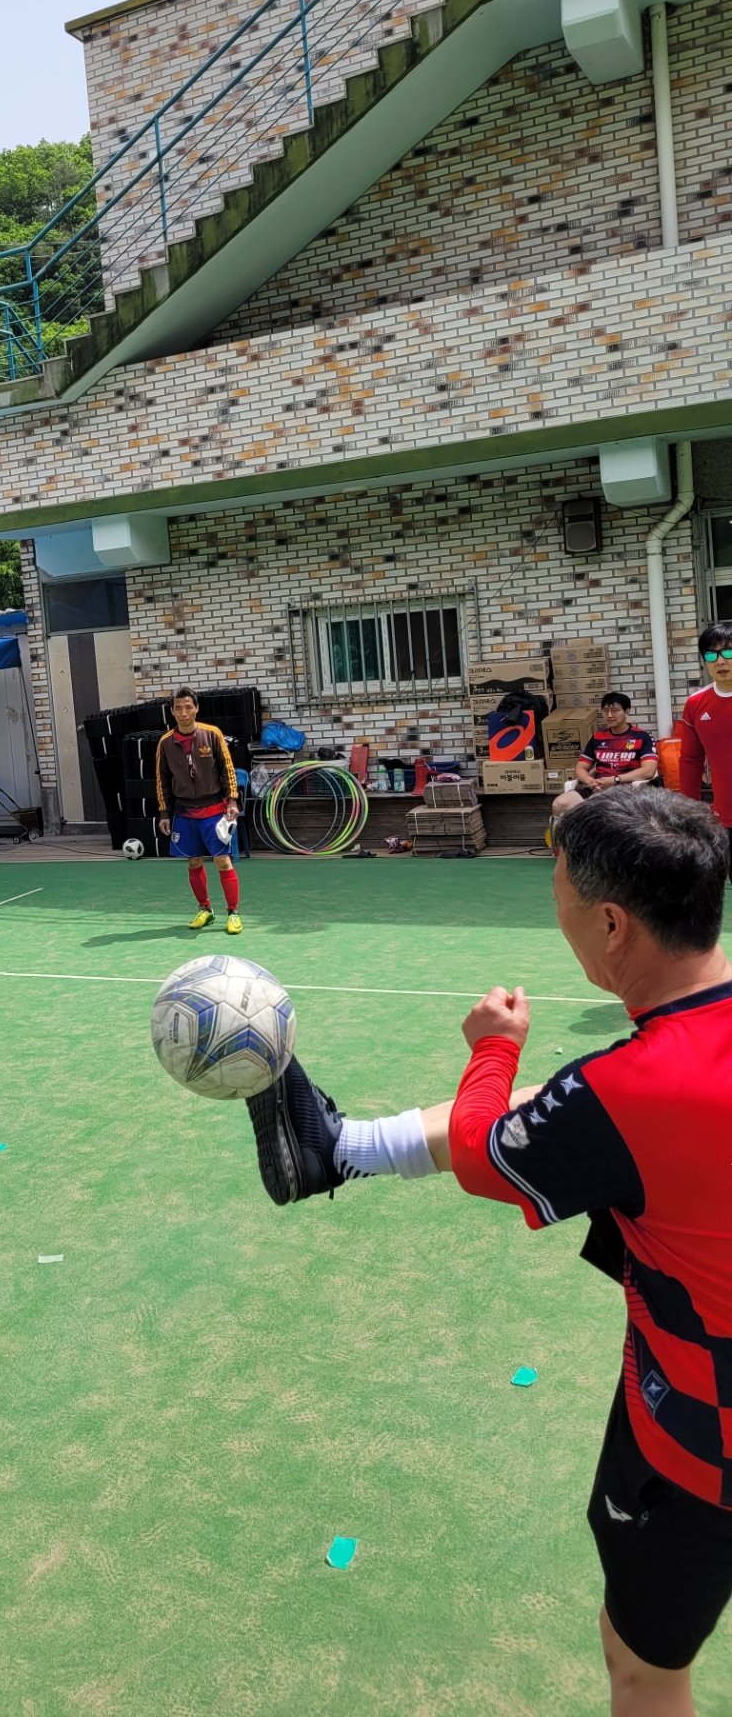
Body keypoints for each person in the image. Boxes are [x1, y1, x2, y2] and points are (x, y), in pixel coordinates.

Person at [242, 789, 732, 1712]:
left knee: (643, 1664)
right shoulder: (652, 1069)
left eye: (560, 899)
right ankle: (339, 1149)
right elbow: (590, 1105)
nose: (558, 918)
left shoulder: (630, 1092)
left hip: (701, 1441)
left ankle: (336, 1151)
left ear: (613, 924)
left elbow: (485, 1150)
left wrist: (494, 1051)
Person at [155, 687, 242, 934]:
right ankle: (205, 909)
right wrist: (164, 813)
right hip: (184, 812)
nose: (184, 713)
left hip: (214, 809)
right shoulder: (165, 743)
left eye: (188, 707)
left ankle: (233, 913)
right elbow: (162, 780)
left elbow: (227, 769)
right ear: (172, 712)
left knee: (222, 861)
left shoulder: (212, 734)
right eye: (178, 708)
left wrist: (232, 801)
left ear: (196, 708)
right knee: (193, 861)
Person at [550, 691, 658, 817]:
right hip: (597, 789)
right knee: (560, 804)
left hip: (628, 792)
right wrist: (590, 781)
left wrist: (614, 780)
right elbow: (580, 768)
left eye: (615, 711)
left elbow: (649, 771)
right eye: (606, 711)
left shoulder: (643, 737)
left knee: (604, 813)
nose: (609, 715)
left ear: (626, 712)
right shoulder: (597, 738)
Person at [678, 620, 732, 849]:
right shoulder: (696, 704)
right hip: (725, 817)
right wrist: (687, 808)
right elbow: (691, 760)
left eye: (728, 652)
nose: (720, 661)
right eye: (711, 655)